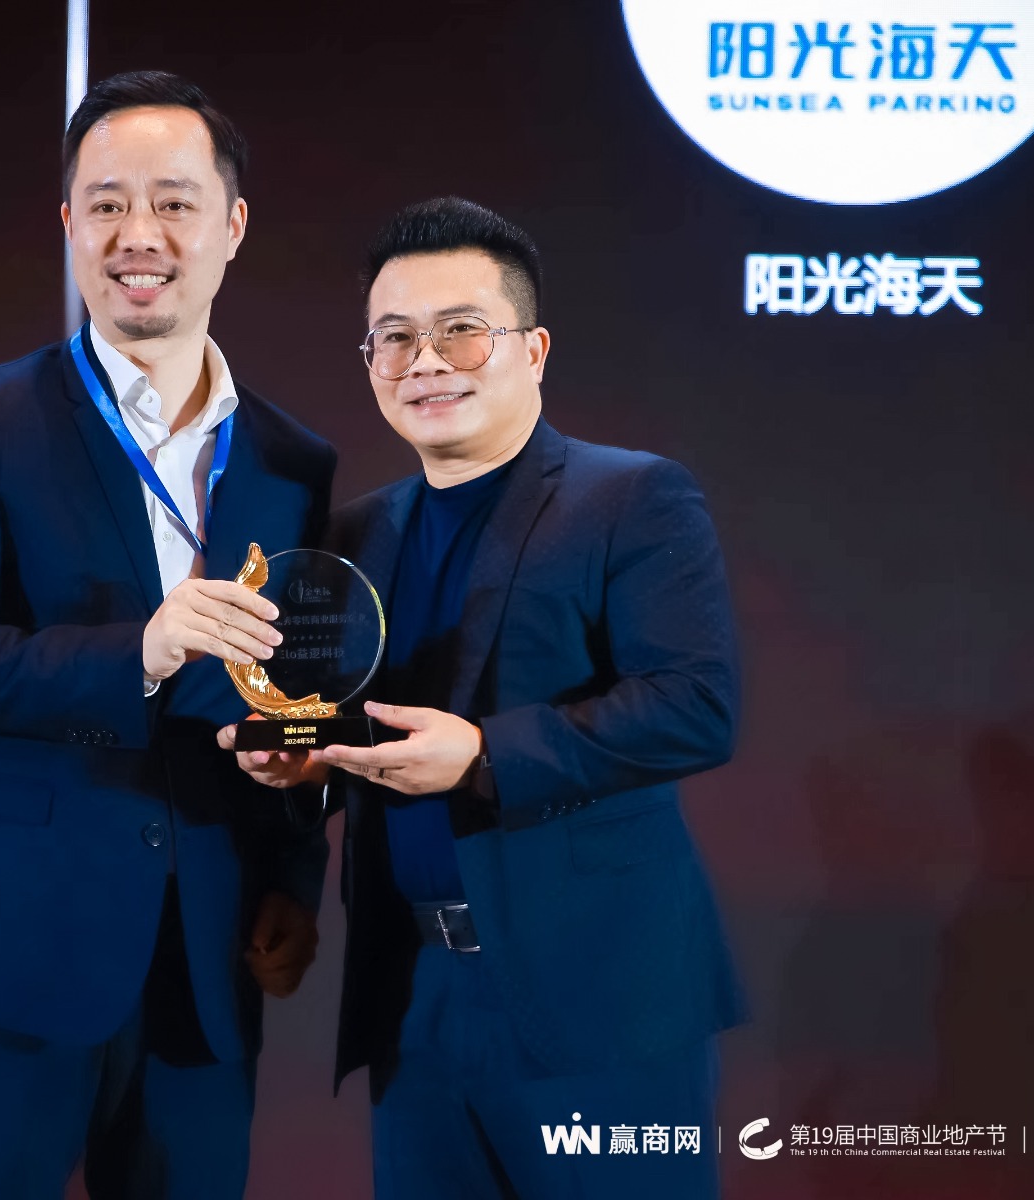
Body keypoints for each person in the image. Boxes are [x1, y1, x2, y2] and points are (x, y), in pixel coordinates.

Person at [0, 71, 335, 1199]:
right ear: (69, 223)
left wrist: (291, 870)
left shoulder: (293, 461)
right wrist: (140, 651)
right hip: (4, 948)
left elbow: (294, 694)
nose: (139, 235)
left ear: (230, 226)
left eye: (173, 203)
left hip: (207, 958)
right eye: (108, 204)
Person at [222, 197, 745, 1199]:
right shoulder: (353, 533)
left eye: (459, 330)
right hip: (410, 995)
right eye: (393, 339)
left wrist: (481, 755)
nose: (424, 362)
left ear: (532, 349)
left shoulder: (629, 496)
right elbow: (342, 726)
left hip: (596, 998)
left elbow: (693, 705)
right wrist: (299, 765)